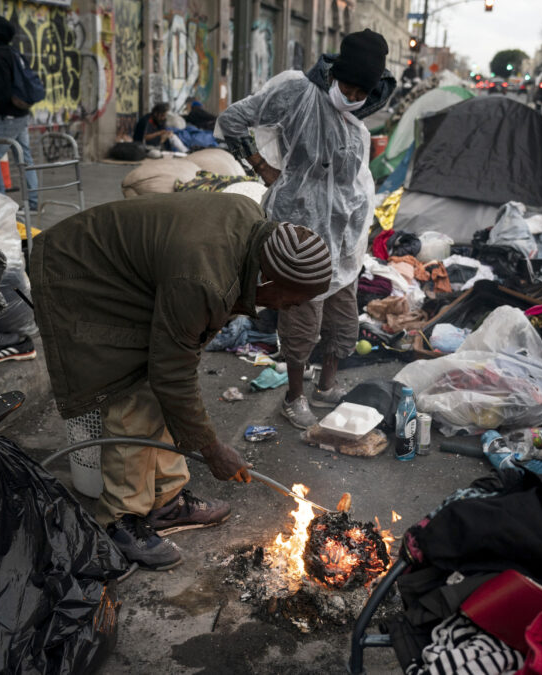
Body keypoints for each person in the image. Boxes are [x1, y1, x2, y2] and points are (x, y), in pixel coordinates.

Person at [30, 193, 332, 570]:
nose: (293, 309)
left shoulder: (252, 225)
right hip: (80, 272)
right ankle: (120, 520)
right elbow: (170, 374)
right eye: (292, 300)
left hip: (134, 273)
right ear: (268, 279)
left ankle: (166, 501)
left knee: (166, 390)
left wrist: (200, 436)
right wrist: (211, 449)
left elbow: (178, 368)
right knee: (134, 389)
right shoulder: (203, 279)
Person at [216, 29, 394, 430]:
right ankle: (293, 397)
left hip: (345, 234)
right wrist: (261, 166)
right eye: (345, 86)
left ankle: (326, 387)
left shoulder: (358, 123)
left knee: (343, 318)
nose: (349, 95)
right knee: (302, 317)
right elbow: (232, 121)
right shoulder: (297, 91)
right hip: (301, 229)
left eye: (359, 91)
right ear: (334, 74)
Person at [0, 14, 38, 211]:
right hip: (22, 114)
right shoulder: (13, 52)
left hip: (7, 116)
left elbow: (1, 90)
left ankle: (0, 204)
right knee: (25, 157)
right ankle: (33, 202)